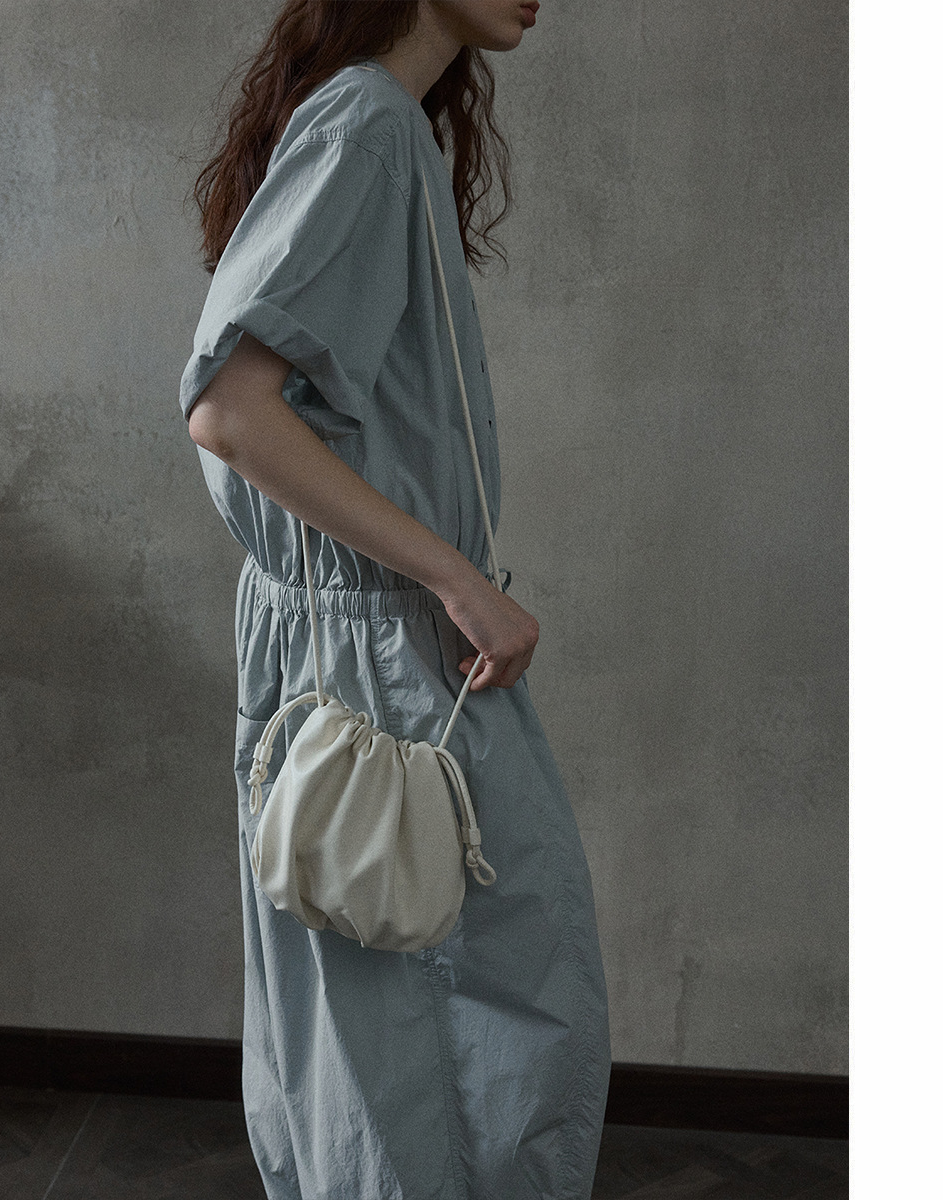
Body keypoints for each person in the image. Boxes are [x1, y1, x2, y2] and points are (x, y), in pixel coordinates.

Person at [179, 2, 611, 1196]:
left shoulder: (381, 121)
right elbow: (231, 411)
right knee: (429, 1034)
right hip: (375, 650)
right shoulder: (366, 123)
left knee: (404, 1031)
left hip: (366, 639)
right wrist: (456, 578)